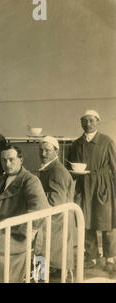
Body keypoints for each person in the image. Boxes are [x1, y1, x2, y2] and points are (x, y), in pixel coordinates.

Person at [0, 145, 49, 282]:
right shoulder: (1, 181)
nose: (7, 164)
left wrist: (23, 231)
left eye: (11, 160)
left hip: (18, 234)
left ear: (21, 159)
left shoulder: (30, 180)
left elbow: (40, 209)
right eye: (4, 160)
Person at [68, 110, 115, 272]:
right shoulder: (76, 144)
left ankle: (110, 258)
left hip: (103, 186)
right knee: (86, 222)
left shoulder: (106, 141)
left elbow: (114, 167)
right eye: (85, 121)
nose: (88, 124)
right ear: (81, 122)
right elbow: (71, 167)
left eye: (91, 121)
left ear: (98, 122)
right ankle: (92, 257)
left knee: (106, 223)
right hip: (83, 187)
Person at [38, 136, 76, 276]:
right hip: (57, 219)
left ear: (56, 152)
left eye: (47, 150)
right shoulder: (49, 169)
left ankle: (40, 275)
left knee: (37, 239)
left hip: (57, 220)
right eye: (41, 150)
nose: (43, 154)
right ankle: (44, 273)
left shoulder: (56, 171)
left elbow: (56, 201)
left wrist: (34, 196)